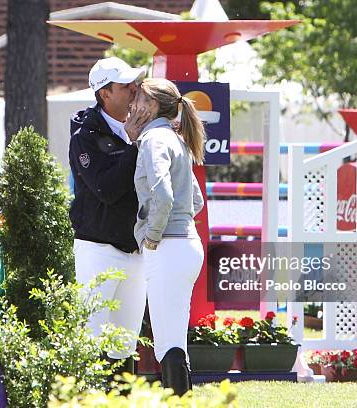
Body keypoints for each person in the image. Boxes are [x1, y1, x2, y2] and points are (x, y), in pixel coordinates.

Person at [69, 57, 150, 373]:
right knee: (89, 342)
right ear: (104, 93)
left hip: (134, 249)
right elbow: (106, 189)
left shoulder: (142, 127)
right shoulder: (84, 136)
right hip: (98, 249)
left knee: (125, 346)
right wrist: (132, 145)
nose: (134, 89)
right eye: (125, 85)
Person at [132, 78, 205, 396]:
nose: (134, 105)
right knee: (174, 337)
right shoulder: (176, 139)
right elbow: (197, 201)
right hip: (187, 243)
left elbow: (162, 194)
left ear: (151, 105)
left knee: (167, 341)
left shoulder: (154, 139)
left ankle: (179, 402)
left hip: (168, 245)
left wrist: (152, 236)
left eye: (139, 99)